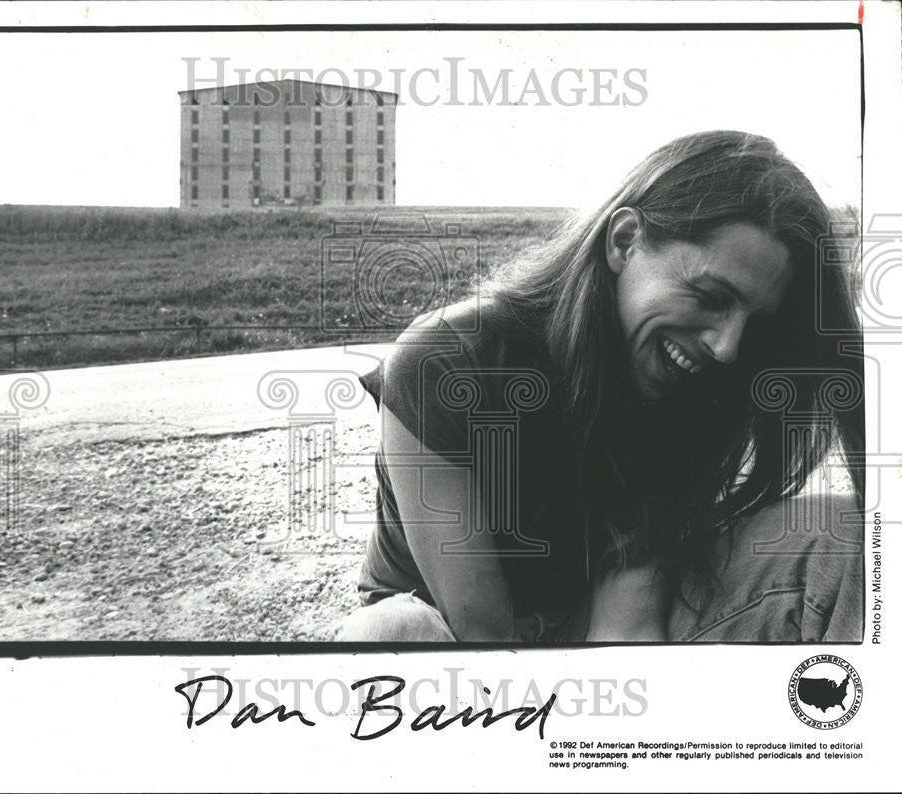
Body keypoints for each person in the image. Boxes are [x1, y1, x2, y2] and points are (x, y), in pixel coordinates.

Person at [336, 130, 865, 643]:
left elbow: (625, 624)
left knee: (843, 537)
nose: (727, 347)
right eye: (709, 296)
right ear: (624, 241)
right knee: (392, 630)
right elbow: (483, 632)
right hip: (452, 641)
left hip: (584, 624)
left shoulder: (689, 388)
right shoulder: (448, 361)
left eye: (755, 320)